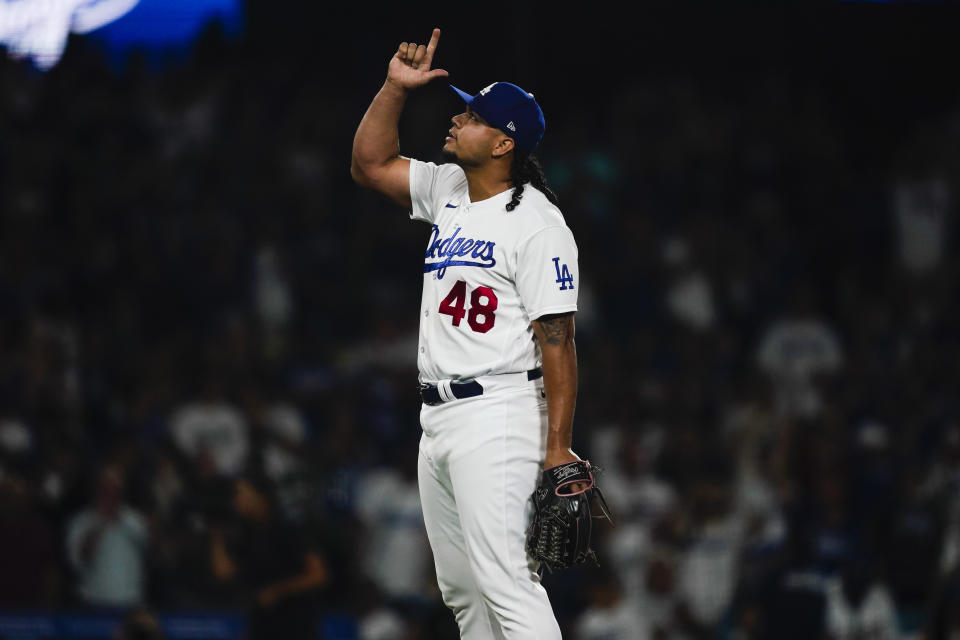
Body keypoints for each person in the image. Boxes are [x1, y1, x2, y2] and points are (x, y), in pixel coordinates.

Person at [351, 28, 582, 639]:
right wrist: (394, 89)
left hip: (500, 411)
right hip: (439, 417)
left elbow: (558, 340)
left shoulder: (537, 222)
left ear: (503, 142)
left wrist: (558, 445)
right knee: (463, 593)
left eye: (474, 116)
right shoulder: (450, 190)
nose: (457, 116)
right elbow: (369, 165)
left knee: (506, 581)